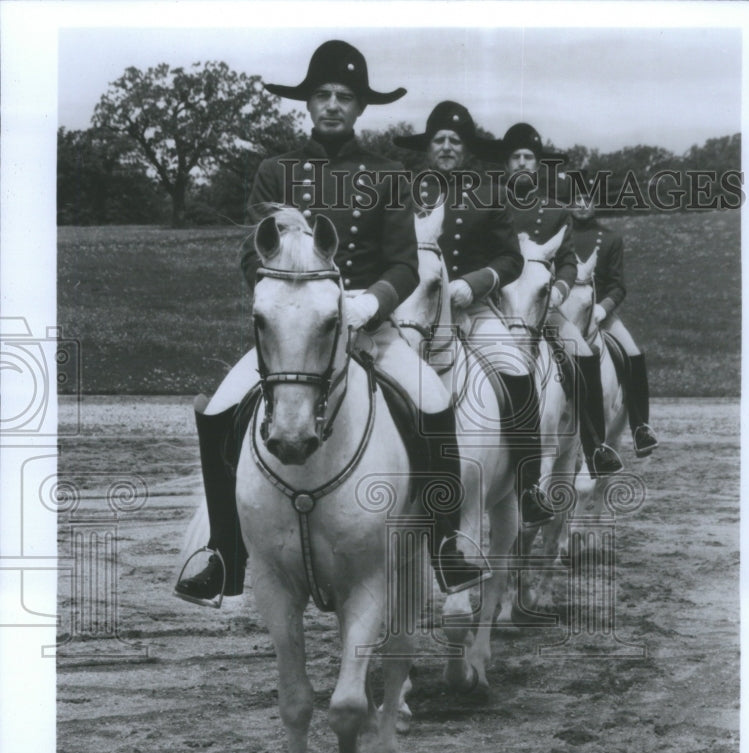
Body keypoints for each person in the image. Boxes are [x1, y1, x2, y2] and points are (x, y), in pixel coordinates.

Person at [175, 41, 482, 605]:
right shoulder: (276, 172)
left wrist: (372, 303)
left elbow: (405, 264)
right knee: (217, 410)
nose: (333, 105)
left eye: (345, 96)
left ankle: (444, 544)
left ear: (361, 107)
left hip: (372, 327)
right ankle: (224, 554)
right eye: (323, 95)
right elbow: (254, 253)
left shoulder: (388, 175)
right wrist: (291, 305)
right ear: (308, 103)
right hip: (297, 335)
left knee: (434, 402)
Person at [394, 102, 554, 528]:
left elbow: (511, 259)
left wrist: (477, 283)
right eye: (439, 140)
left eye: (455, 140)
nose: (446, 147)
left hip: (475, 308)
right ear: (429, 147)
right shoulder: (406, 192)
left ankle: (528, 484)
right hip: (413, 306)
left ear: (466, 149)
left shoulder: (490, 192)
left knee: (517, 370)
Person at [496, 123, 624, 489]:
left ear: (537, 166)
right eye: (515, 157)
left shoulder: (553, 212)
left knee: (582, 352)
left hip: (542, 307)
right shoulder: (490, 206)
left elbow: (567, 261)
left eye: (528, 158)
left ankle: (595, 444)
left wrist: (560, 289)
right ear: (506, 164)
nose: (522, 163)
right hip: (494, 306)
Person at [570, 185, 659, 456]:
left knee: (633, 353)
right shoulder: (559, 237)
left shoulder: (610, 239)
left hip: (600, 313)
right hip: (564, 312)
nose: (582, 204)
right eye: (576, 199)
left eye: (588, 199)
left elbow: (618, 286)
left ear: (596, 203)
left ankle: (640, 427)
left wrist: (603, 307)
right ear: (567, 204)